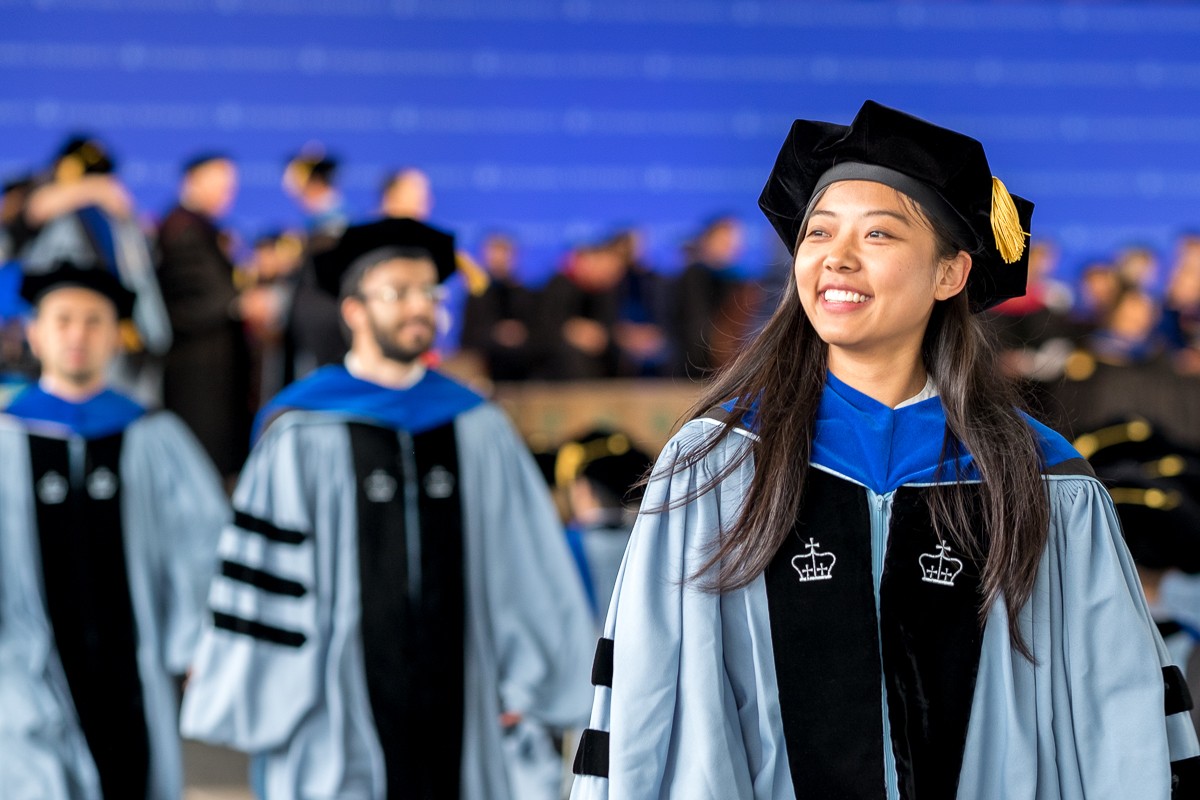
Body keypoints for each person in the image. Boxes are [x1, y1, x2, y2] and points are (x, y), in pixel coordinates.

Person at [570, 100, 1199, 799]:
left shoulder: (1044, 481)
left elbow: (1118, 717)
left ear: (950, 274)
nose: (836, 257)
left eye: (878, 233)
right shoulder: (717, 462)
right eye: (818, 233)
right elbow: (641, 702)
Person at [180, 217, 595, 799]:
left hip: (463, 695)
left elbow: (523, 561)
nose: (418, 307)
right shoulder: (300, 431)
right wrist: (270, 691)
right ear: (354, 310)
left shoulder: (476, 427)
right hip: (335, 705)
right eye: (398, 292)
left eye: (429, 292)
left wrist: (528, 680)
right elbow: (265, 580)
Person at [0, 262, 227, 799]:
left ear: (115, 336)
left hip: (133, 662)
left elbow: (201, 545)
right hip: (25, 668)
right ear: (35, 332)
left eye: (94, 321)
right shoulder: (7, 436)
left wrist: (197, 641)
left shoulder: (153, 435)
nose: (77, 334)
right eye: (62, 320)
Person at [19, 135, 173, 405]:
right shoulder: (56, 208)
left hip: (121, 334)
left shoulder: (117, 220)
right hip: (55, 349)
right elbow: (33, 210)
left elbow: (139, 276)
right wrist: (94, 188)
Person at [156, 152, 271, 481]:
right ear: (192, 180)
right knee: (202, 460)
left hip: (214, 365)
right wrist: (240, 302)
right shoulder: (183, 228)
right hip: (198, 368)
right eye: (219, 182)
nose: (227, 191)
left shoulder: (201, 227)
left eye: (230, 185)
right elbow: (193, 296)